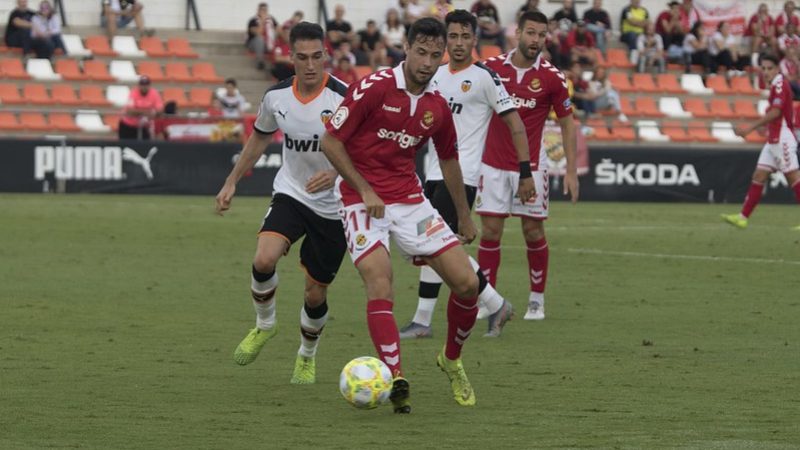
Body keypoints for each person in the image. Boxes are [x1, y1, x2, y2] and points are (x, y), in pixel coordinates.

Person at [320, 17, 482, 413]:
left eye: (435, 55)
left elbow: (448, 160)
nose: (427, 62)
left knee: (468, 285)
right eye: (421, 52)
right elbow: (330, 140)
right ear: (406, 49)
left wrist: (463, 214)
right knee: (380, 281)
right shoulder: (373, 88)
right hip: (361, 200)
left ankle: (451, 359)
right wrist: (364, 189)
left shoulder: (437, 106)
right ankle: (395, 379)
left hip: (410, 201)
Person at [215, 22, 349, 385]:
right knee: (264, 258)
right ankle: (265, 325)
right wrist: (231, 182)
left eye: (316, 57)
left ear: (326, 56)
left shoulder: (344, 97)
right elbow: (258, 139)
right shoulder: (276, 97)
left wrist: (337, 175)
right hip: (292, 192)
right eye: (302, 58)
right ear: (290, 57)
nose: (309, 65)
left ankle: (306, 355)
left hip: (334, 206)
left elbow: (366, 151)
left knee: (315, 292)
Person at [399, 10, 534, 340]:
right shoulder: (433, 75)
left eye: (465, 37)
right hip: (432, 172)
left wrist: (525, 171)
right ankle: (492, 302)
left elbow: (515, 123)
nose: (458, 44)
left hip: (463, 175)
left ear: (476, 39)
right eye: (453, 37)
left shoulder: (485, 77)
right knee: (430, 246)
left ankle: (427, 319)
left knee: (434, 244)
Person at [477, 11, 580, 321]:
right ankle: (490, 301)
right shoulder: (491, 69)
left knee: (533, 231)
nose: (536, 40)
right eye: (531, 33)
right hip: (492, 165)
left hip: (532, 167)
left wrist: (572, 171)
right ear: (517, 33)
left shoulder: (552, 76)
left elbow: (567, 124)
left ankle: (536, 300)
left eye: (541, 34)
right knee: (490, 232)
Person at [725, 53, 800, 229]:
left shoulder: (781, 84)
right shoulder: (775, 85)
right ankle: (743, 217)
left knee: (794, 179)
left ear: (777, 68)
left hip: (782, 139)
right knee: (759, 175)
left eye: (769, 68)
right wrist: (765, 128)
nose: (765, 72)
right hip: (773, 138)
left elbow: (776, 112)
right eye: (763, 68)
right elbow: (777, 115)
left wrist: (749, 129)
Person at [118, 75, 163, 140]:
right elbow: (130, 111)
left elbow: (160, 109)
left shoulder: (154, 93)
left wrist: (139, 112)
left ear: (149, 85)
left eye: (146, 85)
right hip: (128, 124)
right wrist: (147, 112)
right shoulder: (133, 93)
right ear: (139, 85)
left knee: (144, 147)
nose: (144, 87)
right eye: (142, 85)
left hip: (144, 126)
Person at [246, 2, 279, 71]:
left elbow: (279, 31)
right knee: (260, 39)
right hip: (254, 44)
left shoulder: (271, 20)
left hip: (268, 44)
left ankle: (276, 64)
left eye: (265, 10)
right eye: (262, 10)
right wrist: (263, 21)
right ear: (258, 10)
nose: (264, 12)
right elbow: (258, 33)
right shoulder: (253, 21)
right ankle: (260, 62)